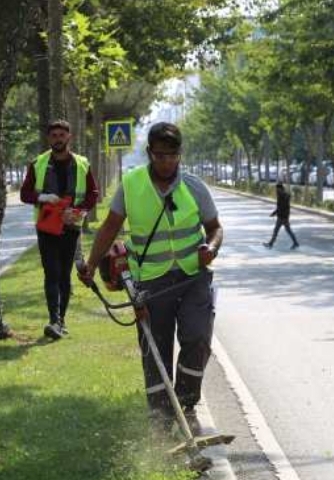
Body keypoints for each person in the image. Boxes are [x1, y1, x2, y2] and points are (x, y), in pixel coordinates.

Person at [77, 121, 221, 429]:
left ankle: (186, 405)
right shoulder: (131, 186)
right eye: (159, 155)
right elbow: (109, 228)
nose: (166, 162)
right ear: (149, 154)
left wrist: (211, 247)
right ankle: (160, 417)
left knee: (197, 339)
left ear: (180, 154)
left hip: (193, 278)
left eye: (172, 155)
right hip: (151, 284)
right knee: (155, 350)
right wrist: (91, 264)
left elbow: (215, 228)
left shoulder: (194, 186)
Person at [21, 119, 99, 340]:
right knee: (51, 272)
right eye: (53, 135)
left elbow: (93, 193)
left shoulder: (83, 163)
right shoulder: (38, 163)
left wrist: (79, 211)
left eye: (61, 135)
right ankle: (53, 319)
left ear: (69, 138)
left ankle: (61, 320)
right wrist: (42, 197)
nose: (58, 139)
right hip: (46, 228)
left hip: (71, 226)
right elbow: (25, 194)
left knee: (64, 274)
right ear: (48, 139)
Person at [263, 182, 298, 250]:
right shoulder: (283, 195)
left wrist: (275, 213)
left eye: (277, 189)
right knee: (288, 230)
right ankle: (295, 243)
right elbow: (281, 207)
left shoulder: (282, 196)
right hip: (284, 216)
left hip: (282, 216)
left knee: (276, 230)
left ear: (280, 189)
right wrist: (274, 213)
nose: (276, 191)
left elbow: (281, 207)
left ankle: (270, 244)